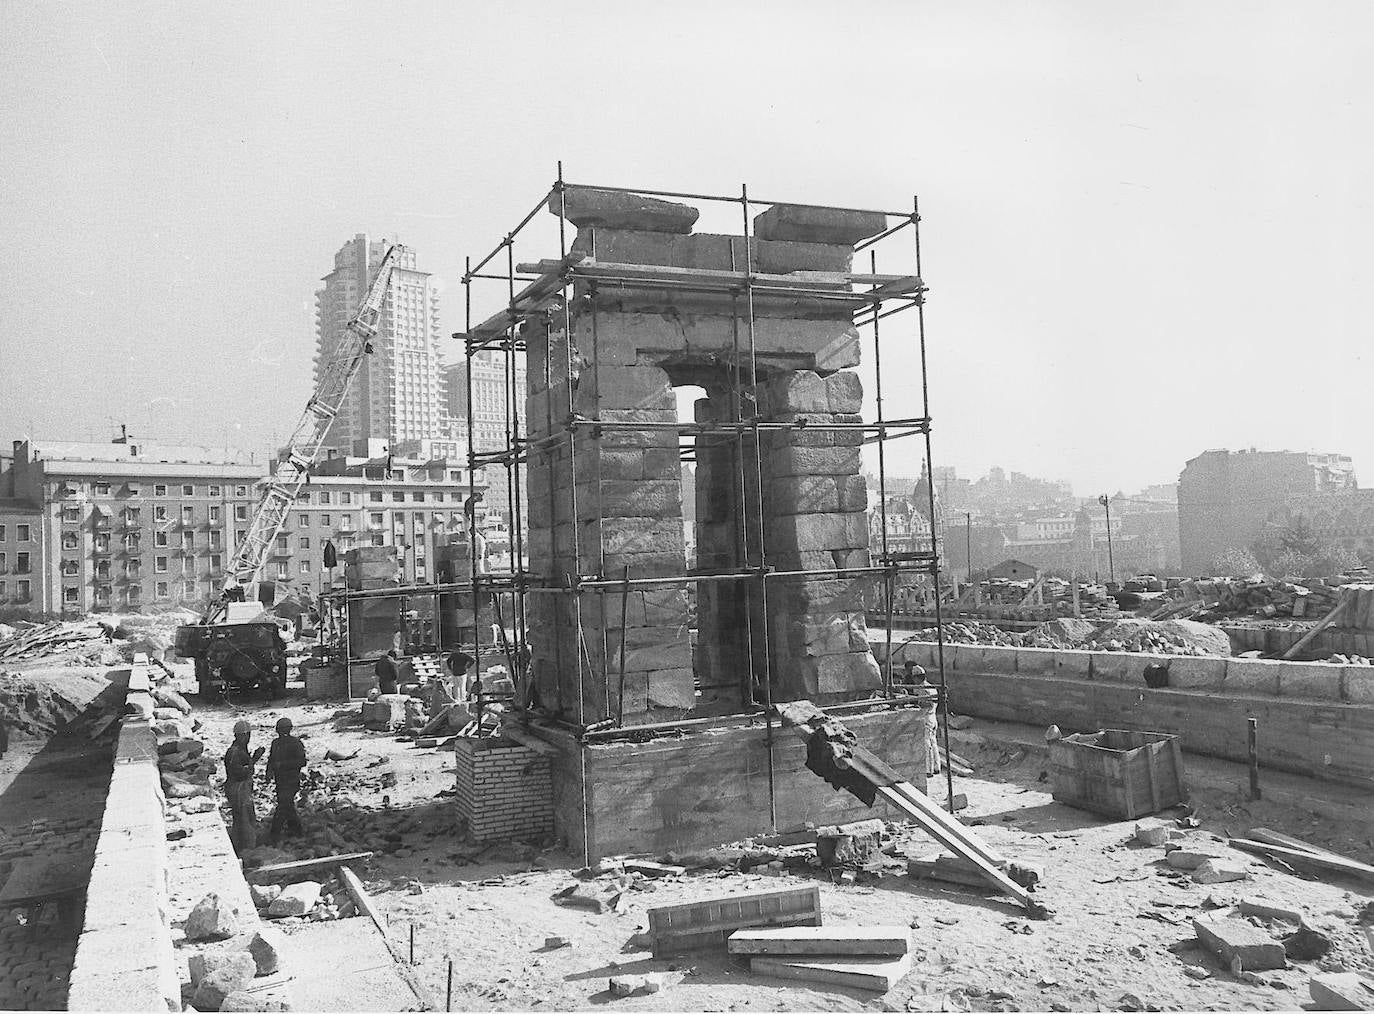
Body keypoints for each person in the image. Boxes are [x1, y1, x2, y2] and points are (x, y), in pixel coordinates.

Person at [223, 719, 264, 854]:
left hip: (237, 788)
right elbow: (240, 773)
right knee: (246, 819)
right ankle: (248, 849)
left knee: (240, 819)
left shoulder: (238, 750)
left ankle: (238, 846)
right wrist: (254, 760)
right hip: (238, 789)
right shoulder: (235, 752)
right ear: (244, 735)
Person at [266, 717, 306, 842]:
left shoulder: (296, 743)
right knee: (287, 805)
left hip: (291, 780)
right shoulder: (275, 743)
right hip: (280, 780)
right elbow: (271, 759)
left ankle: (275, 833)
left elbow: (302, 761)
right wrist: (268, 772)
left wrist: (282, 765)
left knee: (283, 805)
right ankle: (295, 830)